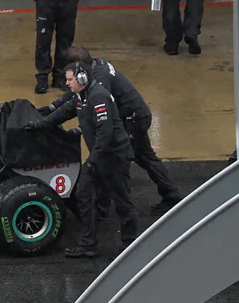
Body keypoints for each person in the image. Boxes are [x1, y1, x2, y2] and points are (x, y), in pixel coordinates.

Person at [41, 45, 182, 215]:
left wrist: (80, 129)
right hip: (134, 115)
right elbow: (76, 94)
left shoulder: (100, 79)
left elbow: (99, 110)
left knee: (112, 160)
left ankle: (104, 207)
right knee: (143, 157)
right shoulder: (94, 68)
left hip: (133, 119)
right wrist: (52, 107)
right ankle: (170, 195)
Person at [26, 63, 138, 258]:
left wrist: (93, 161)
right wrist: (38, 123)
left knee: (122, 202)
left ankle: (131, 246)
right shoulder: (81, 96)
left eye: (70, 79)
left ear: (82, 79)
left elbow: (105, 133)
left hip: (114, 157)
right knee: (83, 194)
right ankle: (88, 244)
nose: (66, 83)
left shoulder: (99, 97)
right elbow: (62, 114)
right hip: (99, 157)